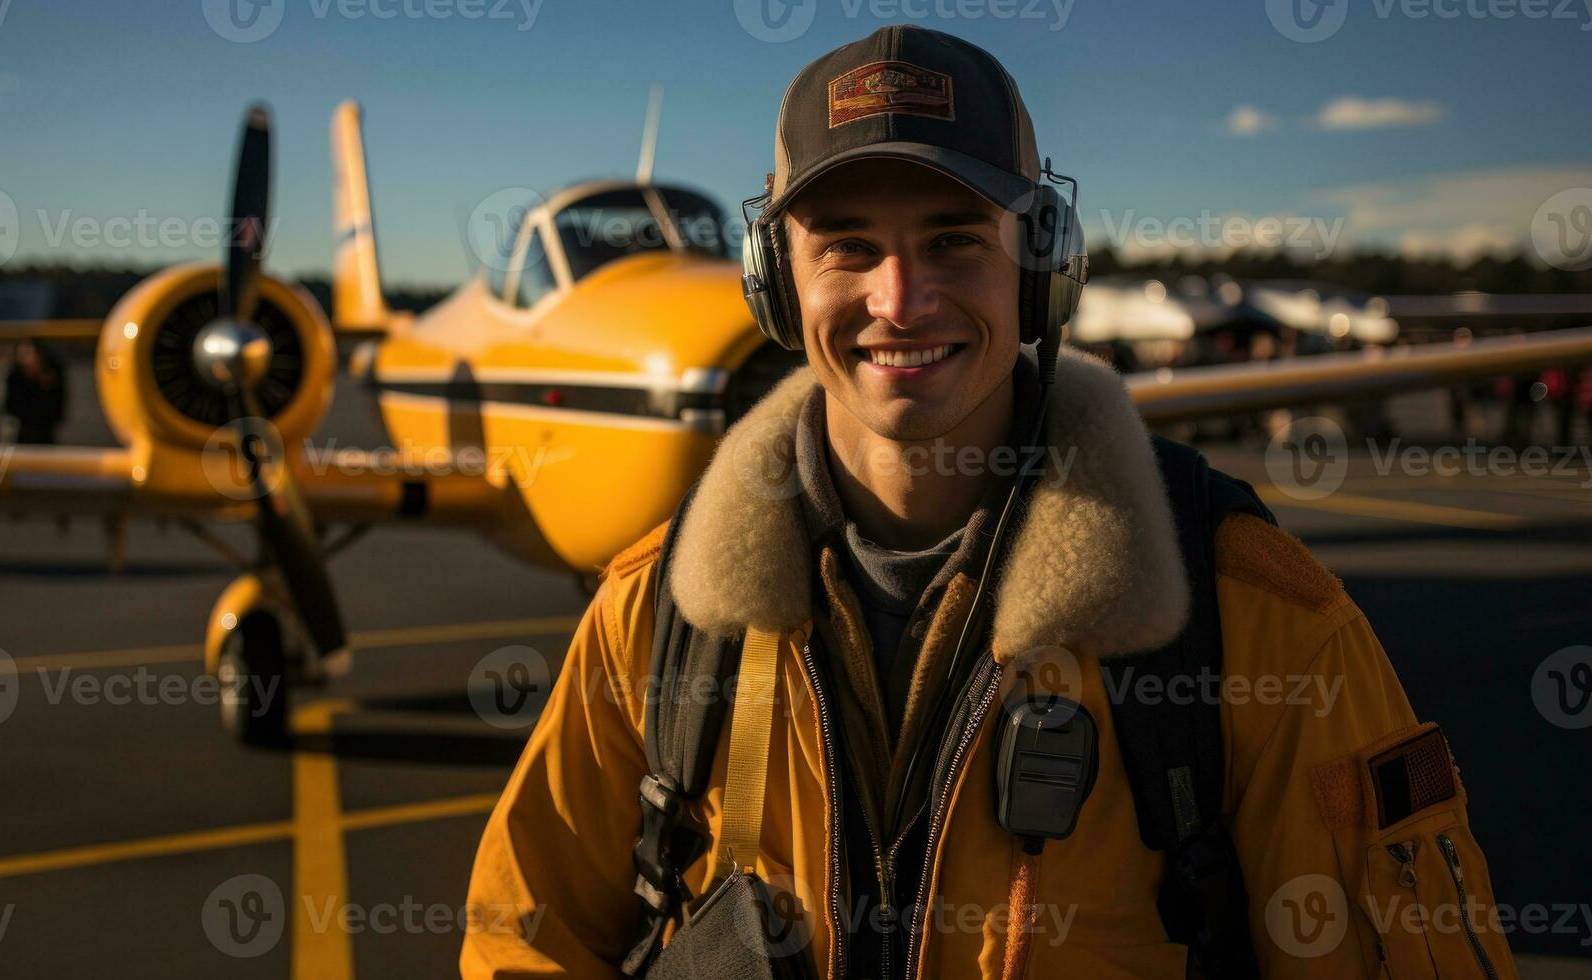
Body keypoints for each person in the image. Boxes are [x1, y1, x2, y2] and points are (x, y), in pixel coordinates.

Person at [463, 26, 1513, 979]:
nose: (899, 298)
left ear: (1043, 266)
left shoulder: (1257, 610)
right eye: (845, 244)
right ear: (776, 281)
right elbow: (522, 938)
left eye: (956, 237)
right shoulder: (654, 613)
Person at [0, 339, 67, 444]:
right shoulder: (13, 377)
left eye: (34, 355)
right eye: (24, 355)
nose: (30, 360)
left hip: (45, 436)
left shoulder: (52, 374)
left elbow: (57, 410)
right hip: (20, 436)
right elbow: (8, 407)